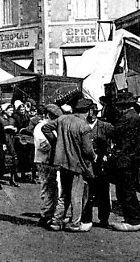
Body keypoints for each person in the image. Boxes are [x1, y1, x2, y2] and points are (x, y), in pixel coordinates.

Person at [42, 97, 96, 232]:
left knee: (64, 193)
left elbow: (45, 127)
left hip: (62, 162)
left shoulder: (62, 119)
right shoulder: (84, 126)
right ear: (89, 111)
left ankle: (56, 221)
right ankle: (75, 223)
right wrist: (94, 156)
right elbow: (87, 150)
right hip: (77, 165)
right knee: (77, 195)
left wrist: (56, 143)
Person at [108, 93, 140, 231]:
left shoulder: (128, 118)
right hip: (133, 157)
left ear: (123, 106)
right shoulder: (136, 117)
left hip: (125, 158)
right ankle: (136, 218)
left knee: (125, 190)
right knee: (129, 189)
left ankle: (132, 220)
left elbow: (114, 132)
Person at [82, 100, 113, 228]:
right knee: (87, 191)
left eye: (94, 113)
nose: (92, 115)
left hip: (101, 162)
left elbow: (113, 140)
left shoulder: (105, 126)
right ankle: (86, 218)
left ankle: (104, 218)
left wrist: (108, 153)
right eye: (90, 112)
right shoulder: (82, 125)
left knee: (103, 191)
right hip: (86, 162)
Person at [34, 104, 62, 228]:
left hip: (51, 162)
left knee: (53, 188)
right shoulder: (40, 127)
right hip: (44, 161)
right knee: (47, 188)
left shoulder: (52, 127)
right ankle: (45, 215)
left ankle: (49, 213)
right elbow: (43, 146)